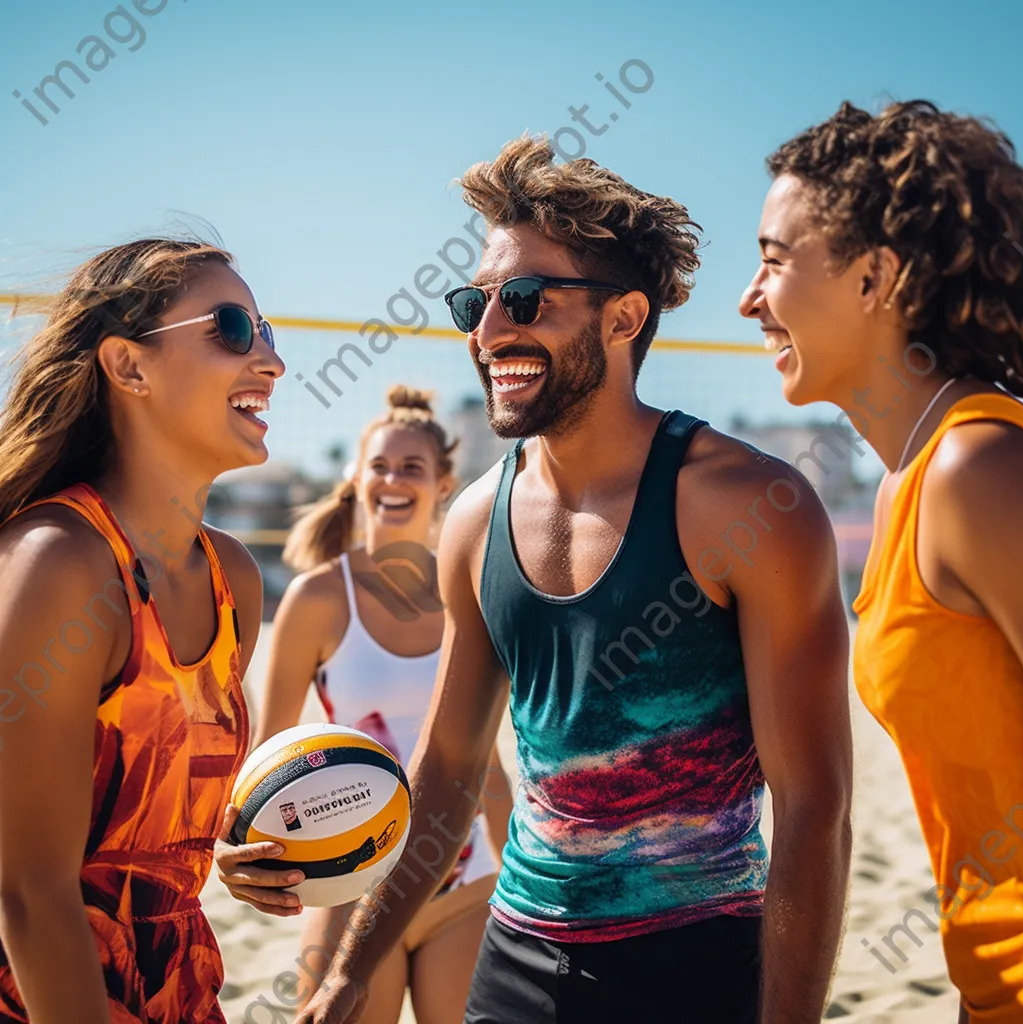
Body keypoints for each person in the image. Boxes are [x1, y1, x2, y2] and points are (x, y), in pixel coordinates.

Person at [287, 136, 854, 1024]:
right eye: (476, 302)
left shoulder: (747, 505)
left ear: (624, 319)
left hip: (696, 959)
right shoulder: (473, 521)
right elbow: (448, 773)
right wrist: (350, 971)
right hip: (517, 954)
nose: (487, 332)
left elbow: (815, 808)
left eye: (522, 299)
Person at [739, 99, 1023, 1023]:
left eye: (775, 260)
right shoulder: (914, 479)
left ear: (876, 277)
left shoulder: (976, 468)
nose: (750, 296)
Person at [0, 239, 284, 1023]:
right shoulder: (59, 563)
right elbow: (27, 892)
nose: (270, 360)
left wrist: (219, 849)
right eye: (231, 328)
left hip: (181, 991)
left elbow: (141, 813)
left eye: (267, 333)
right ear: (129, 367)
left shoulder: (234, 578)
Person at [214, 386, 513, 1023]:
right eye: (379, 465)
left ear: (443, 483)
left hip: (462, 878)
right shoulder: (317, 598)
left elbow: (481, 757)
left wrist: (520, 865)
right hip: (346, 875)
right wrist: (235, 842)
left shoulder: (474, 590)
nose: (393, 480)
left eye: (413, 468)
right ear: (356, 478)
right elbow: (269, 744)